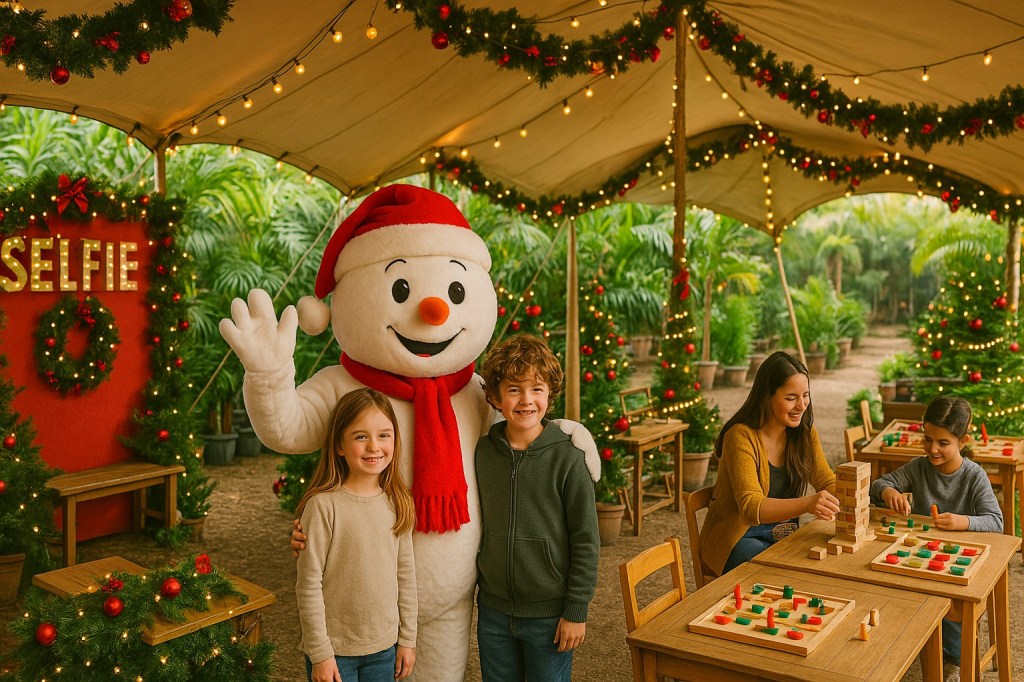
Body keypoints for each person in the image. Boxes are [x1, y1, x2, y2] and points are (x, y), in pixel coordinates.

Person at [475, 334, 600, 681]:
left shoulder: (568, 457)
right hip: (494, 609)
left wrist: (576, 610)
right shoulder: (484, 452)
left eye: (537, 389)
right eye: (514, 389)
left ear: (550, 393)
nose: (526, 400)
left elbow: (586, 539)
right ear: (496, 397)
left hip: (549, 613)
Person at [869, 395, 1002, 682]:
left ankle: (953, 660)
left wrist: (962, 521)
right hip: (919, 554)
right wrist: (888, 492)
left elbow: (996, 522)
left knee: (948, 601)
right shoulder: (918, 467)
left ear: (963, 441)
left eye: (943, 443)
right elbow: (880, 483)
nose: (933, 449)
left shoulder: (974, 476)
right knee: (888, 589)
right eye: (928, 439)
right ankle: (901, 647)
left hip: (960, 562)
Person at [295, 388, 417, 682]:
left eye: (384, 435)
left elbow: (406, 575)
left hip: (385, 648)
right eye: (361, 436)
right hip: (335, 652)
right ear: (339, 445)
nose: (374, 446)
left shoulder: (398, 501)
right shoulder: (323, 506)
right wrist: (320, 652)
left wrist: (408, 639)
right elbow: (309, 584)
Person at [700, 351, 839, 576]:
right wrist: (808, 503)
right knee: (788, 573)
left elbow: (825, 480)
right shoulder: (740, 436)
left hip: (783, 534)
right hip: (738, 538)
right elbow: (750, 507)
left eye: (805, 395)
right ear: (767, 396)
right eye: (790, 398)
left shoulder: (803, 434)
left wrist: (857, 497)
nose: (802, 405)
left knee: (828, 563)